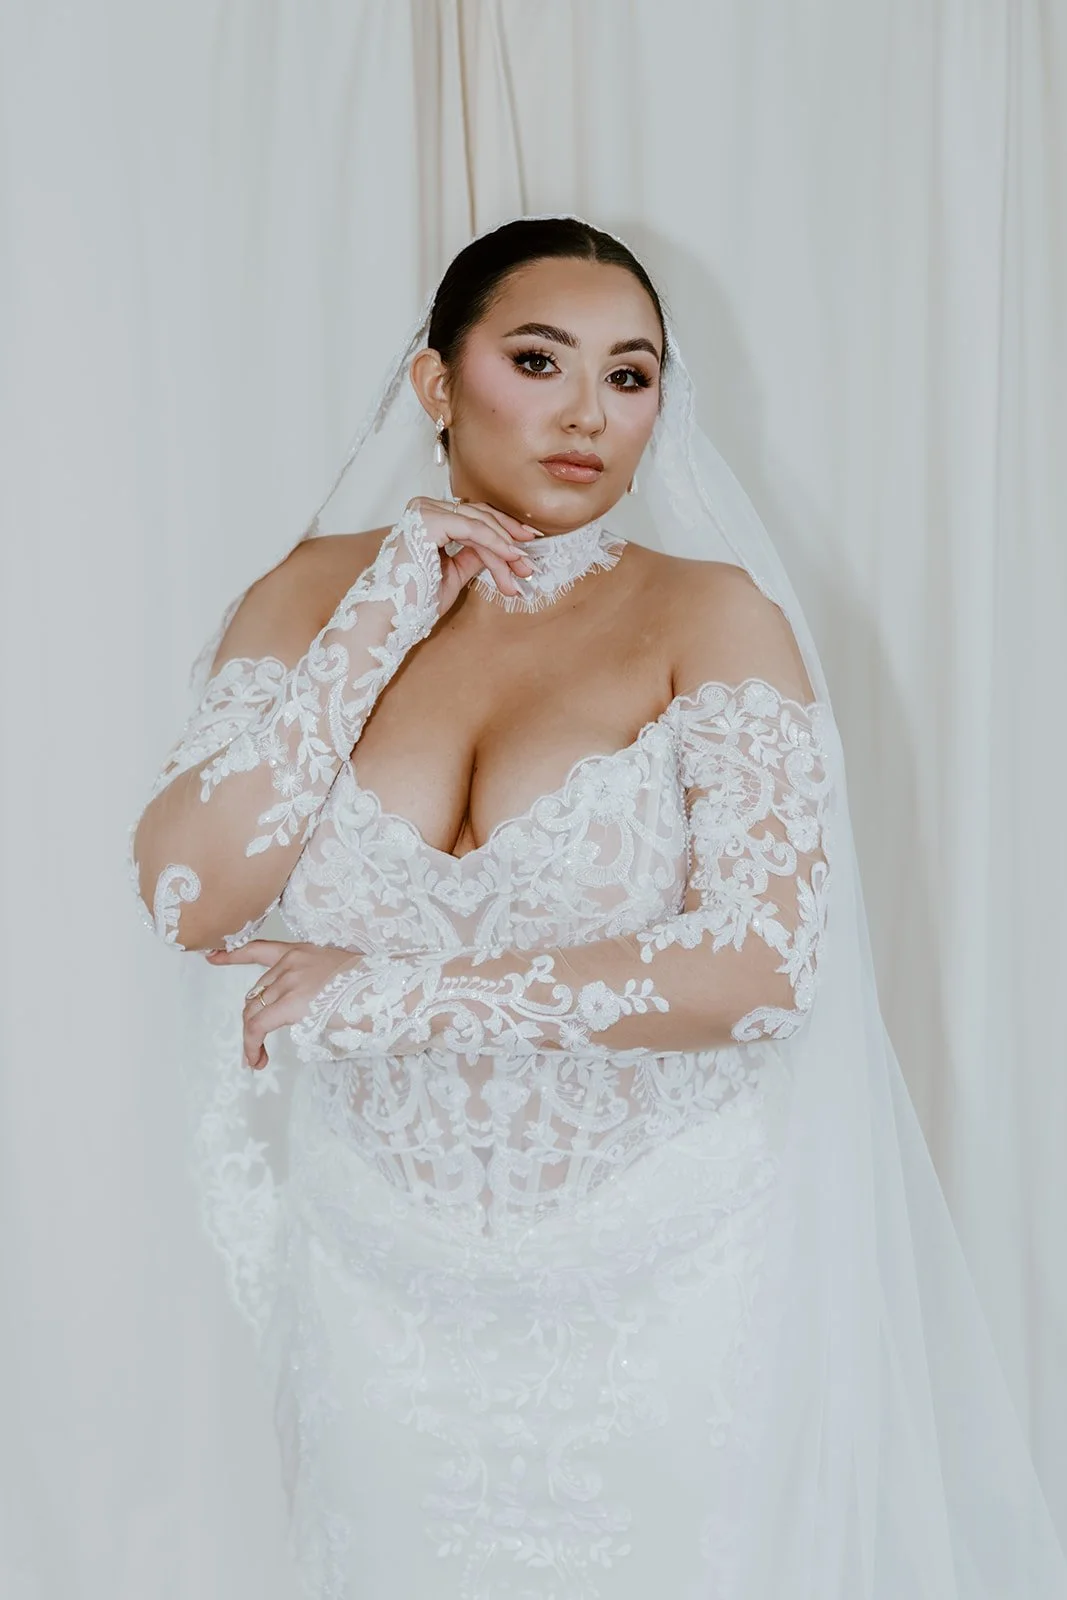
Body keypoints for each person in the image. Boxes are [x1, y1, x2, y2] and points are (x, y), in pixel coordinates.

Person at [130, 216, 1067, 1599]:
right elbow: (190, 889)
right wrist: (381, 615)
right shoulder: (309, 595)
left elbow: (758, 966)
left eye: (630, 377)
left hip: (667, 1287)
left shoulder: (709, 614)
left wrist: (385, 993)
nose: (587, 413)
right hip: (374, 1298)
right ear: (433, 384)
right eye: (537, 360)